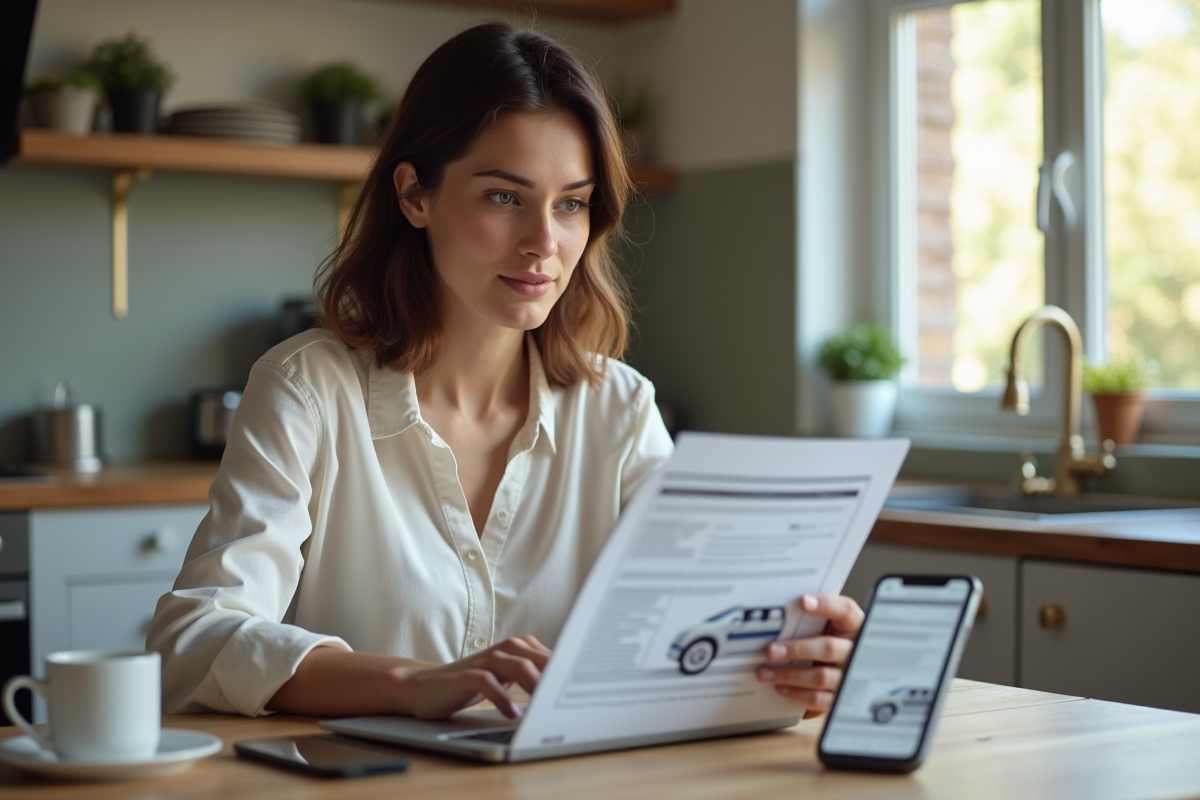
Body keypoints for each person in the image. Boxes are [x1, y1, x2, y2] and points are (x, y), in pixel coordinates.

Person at [147, 21, 863, 723]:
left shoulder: (619, 409)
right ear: (414, 195)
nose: (543, 244)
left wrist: (792, 659)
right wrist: (413, 684)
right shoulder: (307, 389)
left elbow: (688, 637)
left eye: (571, 205)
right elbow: (194, 640)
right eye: (503, 197)